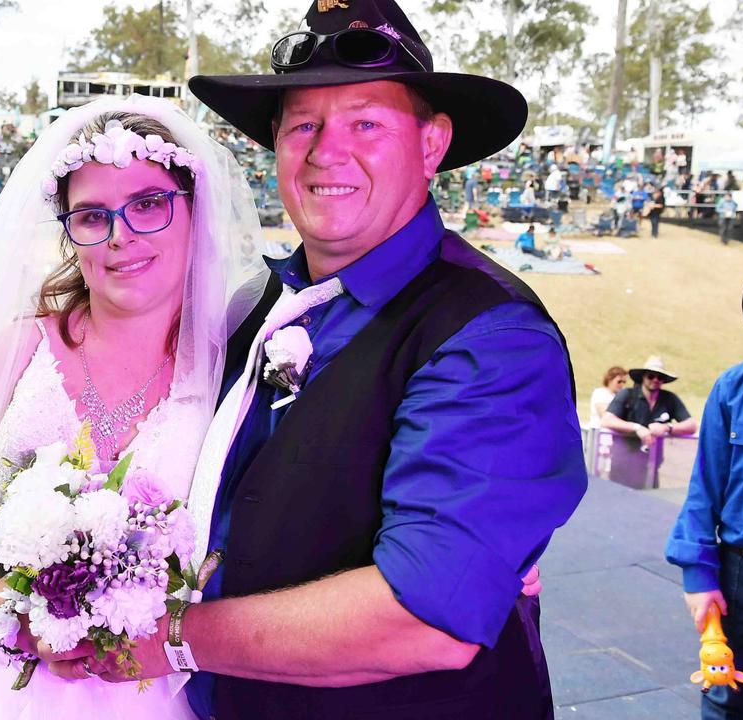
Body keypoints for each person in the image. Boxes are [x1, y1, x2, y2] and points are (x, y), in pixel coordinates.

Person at [161, 2, 584, 716]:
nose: (327, 151)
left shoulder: (493, 336)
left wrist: (169, 637)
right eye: (303, 125)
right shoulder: (257, 303)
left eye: (366, 123)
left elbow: (424, 616)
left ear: (431, 144)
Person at [0, 96, 267, 718]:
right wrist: (22, 617)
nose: (120, 237)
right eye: (92, 216)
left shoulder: (236, 371)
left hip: (158, 691)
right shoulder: (18, 347)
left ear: (194, 213)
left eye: (148, 205)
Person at [666, 257, 743, 719]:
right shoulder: (734, 386)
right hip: (739, 577)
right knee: (723, 699)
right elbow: (704, 489)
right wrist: (699, 575)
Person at [600, 356, 698, 448]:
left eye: (660, 377)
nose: (655, 380)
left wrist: (667, 427)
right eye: (651, 376)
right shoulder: (627, 394)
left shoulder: (669, 398)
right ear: (643, 377)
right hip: (623, 457)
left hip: (654, 458)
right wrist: (637, 428)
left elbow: (691, 425)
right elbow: (607, 420)